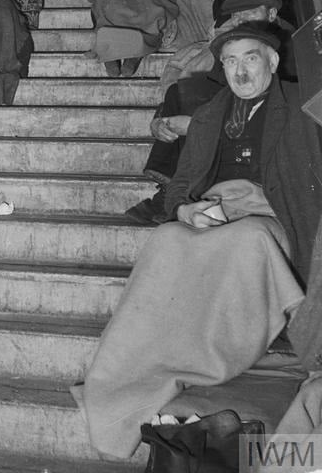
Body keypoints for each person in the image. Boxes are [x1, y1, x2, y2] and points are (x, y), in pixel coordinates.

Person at [78, 25, 322, 460]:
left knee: (249, 240)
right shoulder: (212, 113)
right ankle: (131, 371)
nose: (240, 70)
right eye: (230, 61)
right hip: (217, 207)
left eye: (250, 58)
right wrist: (185, 209)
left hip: (274, 214)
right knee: (169, 237)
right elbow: (181, 185)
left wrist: (267, 200)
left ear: (273, 61)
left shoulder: (302, 104)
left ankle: (217, 353)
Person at [126, 0, 293, 226]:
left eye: (249, 12)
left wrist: (197, 124)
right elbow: (218, 86)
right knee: (181, 90)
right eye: (235, 15)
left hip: (261, 149)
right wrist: (163, 119)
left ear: (271, 14)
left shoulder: (287, 45)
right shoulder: (232, 46)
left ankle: (175, 192)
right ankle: (169, 188)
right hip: (231, 113)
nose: (241, 20)